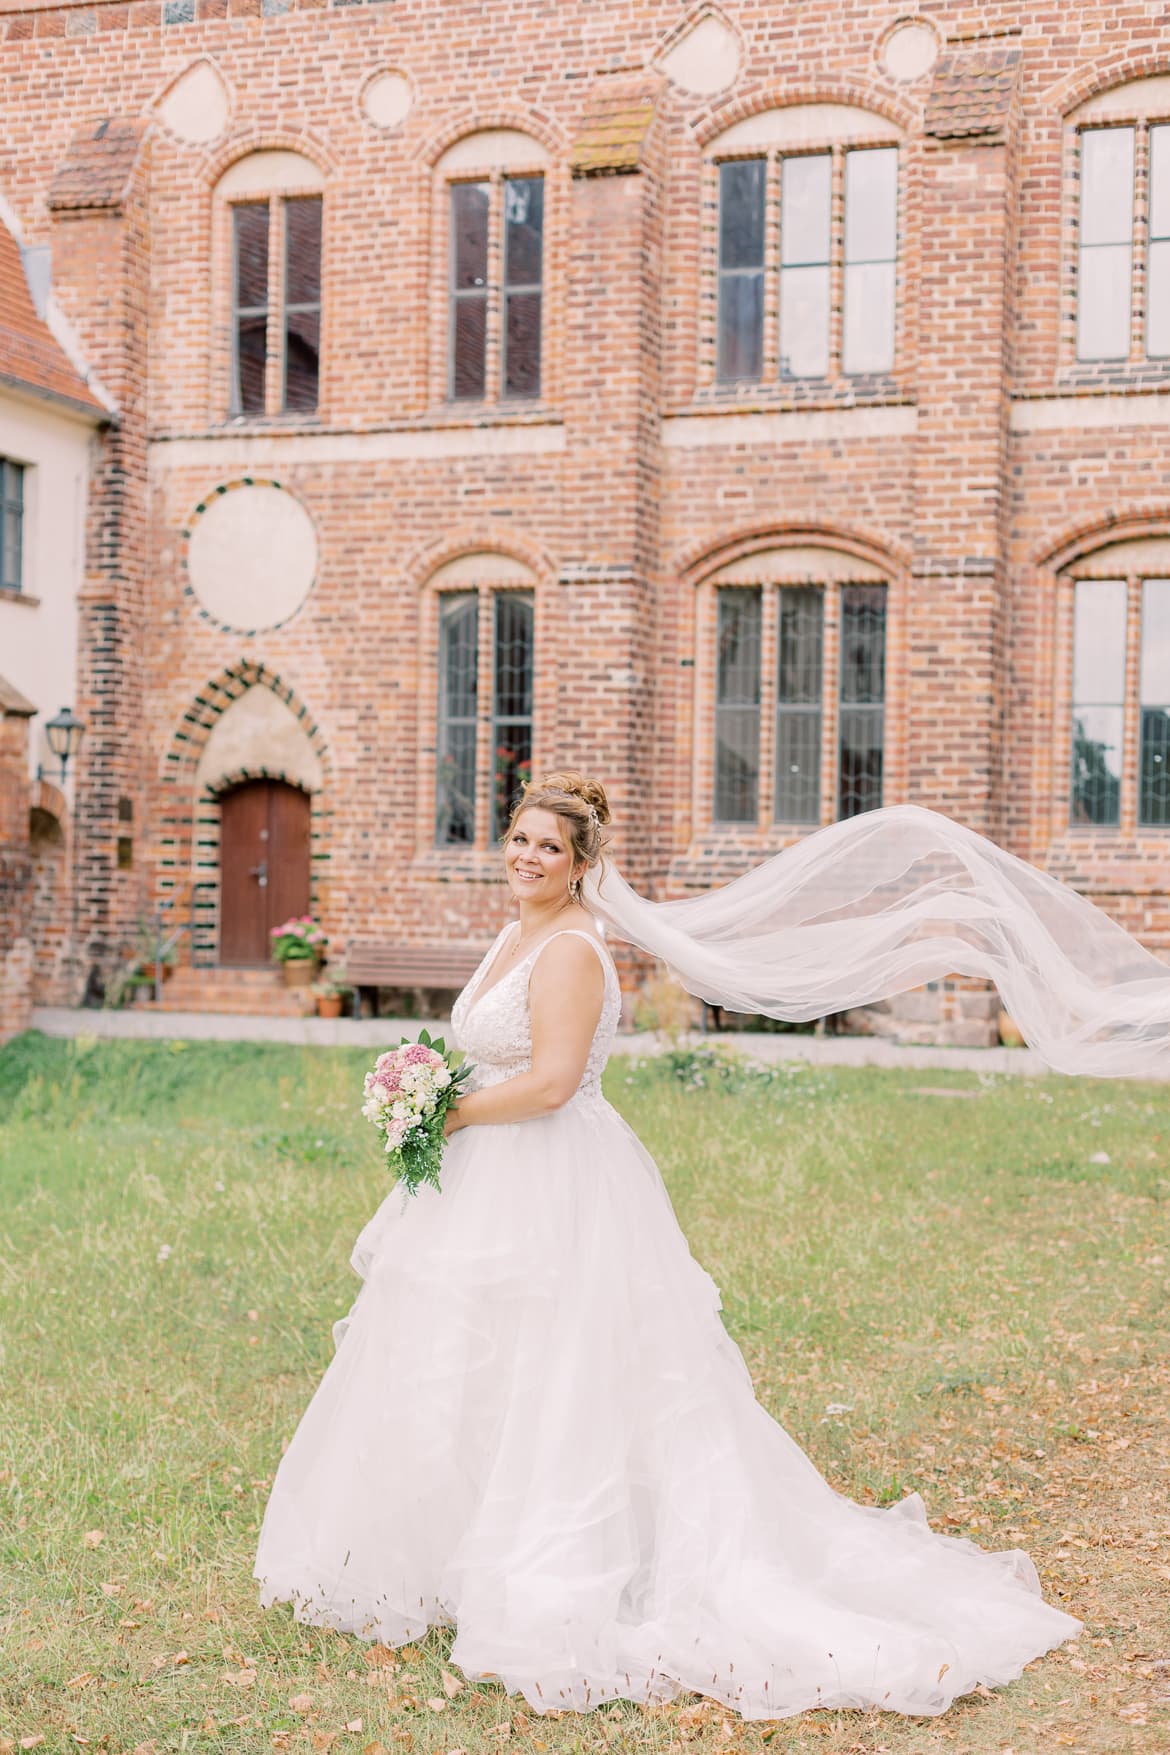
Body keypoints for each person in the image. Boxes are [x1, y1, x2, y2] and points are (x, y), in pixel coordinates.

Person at [254, 771, 1087, 1720]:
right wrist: (434, 1095)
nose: (526, 857)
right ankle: (458, 1551)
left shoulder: (569, 948)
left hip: (550, 1175)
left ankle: (568, 1567)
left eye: (547, 848)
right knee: (470, 1362)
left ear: (580, 867)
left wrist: (444, 1114)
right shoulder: (513, 931)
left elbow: (556, 1082)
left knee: (562, 1373)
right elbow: (497, 1051)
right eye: (519, 839)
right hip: (489, 1177)